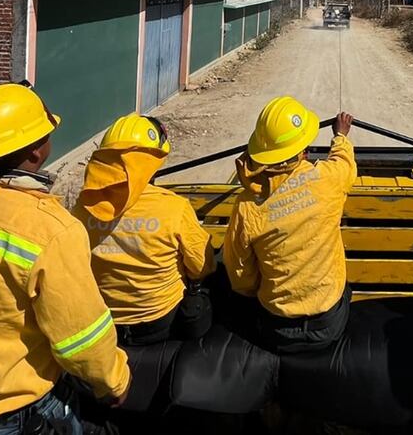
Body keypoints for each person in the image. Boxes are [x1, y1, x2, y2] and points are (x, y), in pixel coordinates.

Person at [0, 82, 130, 435]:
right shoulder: (50, 230)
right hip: (22, 416)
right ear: (35, 152)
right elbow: (81, 341)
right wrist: (115, 382)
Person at [223, 96, 357, 353]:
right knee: (344, 290)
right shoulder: (327, 180)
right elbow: (344, 164)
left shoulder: (247, 205)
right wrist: (340, 137)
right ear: (303, 150)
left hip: (276, 329)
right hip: (328, 325)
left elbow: (241, 278)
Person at [72, 113, 216, 345]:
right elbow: (201, 266)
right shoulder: (174, 208)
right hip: (163, 318)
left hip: (104, 324)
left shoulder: (83, 206)